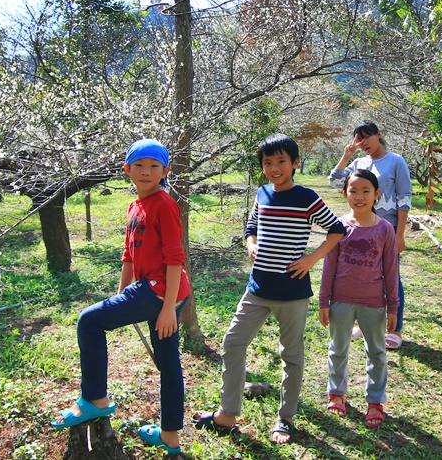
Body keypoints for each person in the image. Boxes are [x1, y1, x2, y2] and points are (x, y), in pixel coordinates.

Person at [194, 133, 346, 444]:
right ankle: (227, 414)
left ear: (295, 163)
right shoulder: (262, 193)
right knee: (233, 343)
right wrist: (251, 244)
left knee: (291, 356)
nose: (274, 168)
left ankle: (285, 419)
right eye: (268, 162)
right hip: (257, 289)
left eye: (281, 161)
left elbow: (336, 230)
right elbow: (252, 226)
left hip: (292, 291)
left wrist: (311, 259)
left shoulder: (306, 197)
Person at [51, 138, 191, 457]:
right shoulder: (135, 205)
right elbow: (129, 255)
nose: (146, 171)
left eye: (154, 166)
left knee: (88, 321)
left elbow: (174, 258)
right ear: (127, 169)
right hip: (151, 290)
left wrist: (168, 308)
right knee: (168, 363)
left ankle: (96, 400)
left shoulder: (165, 204)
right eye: (139, 165)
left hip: (161, 291)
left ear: (165, 171)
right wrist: (120, 296)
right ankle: (170, 437)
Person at [319, 169, 399, 428]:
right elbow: (329, 266)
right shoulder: (339, 227)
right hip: (340, 302)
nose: (359, 196)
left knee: (376, 352)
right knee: (338, 349)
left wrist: (393, 307)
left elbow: (391, 271)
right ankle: (336, 394)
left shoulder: (385, 230)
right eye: (353, 190)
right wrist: (324, 301)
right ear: (345, 194)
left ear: (377, 194)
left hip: (373, 303)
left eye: (366, 191)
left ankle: (375, 401)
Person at [328, 121, 412, 349]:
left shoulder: (395, 161)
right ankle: (363, 322)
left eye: (367, 137)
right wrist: (347, 155)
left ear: (379, 135)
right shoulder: (358, 163)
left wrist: (400, 234)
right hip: (362, 229)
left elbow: (404, 198)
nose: (363, 142)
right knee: (363, 275)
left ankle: (395, 329)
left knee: (391, 277)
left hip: (388, 229)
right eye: (359, 139)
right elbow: (335, 181)